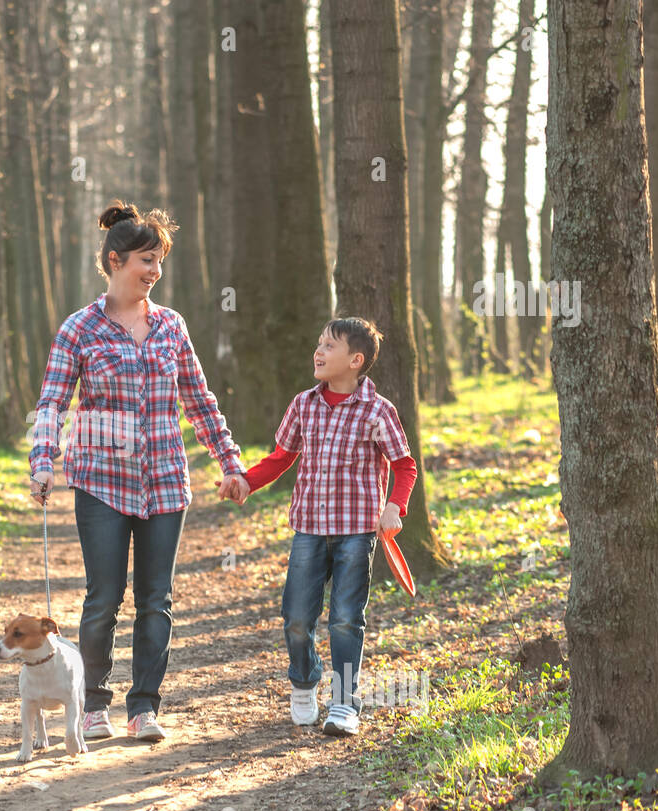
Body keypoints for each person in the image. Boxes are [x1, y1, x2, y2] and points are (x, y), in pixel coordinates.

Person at [29, 200, 248, 743]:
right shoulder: (79, 329)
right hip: (101, 481)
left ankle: (144, 706)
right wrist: (43, 464)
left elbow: (199, 401)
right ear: (114, 261)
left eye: (159, 262)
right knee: (104, 595)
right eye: (145, 261)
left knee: (157, 598)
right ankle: (93, 704)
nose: (153, 272)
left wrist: (230, 462)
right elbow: (52, 402)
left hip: (166, 481)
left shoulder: (172, 326)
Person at [227, 318, 418, 736]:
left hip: (356, 532)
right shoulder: (303, 404)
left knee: (347, 619)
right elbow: (281, 457)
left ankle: (345, 704)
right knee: (297, 617)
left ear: (355, 360)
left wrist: (394, 507)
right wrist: (245, 481)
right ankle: (304, 681)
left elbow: (404, 465)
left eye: (329, 346)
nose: (318, 351)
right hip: (309, 529)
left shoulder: (378, 410)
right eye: (318, 344)